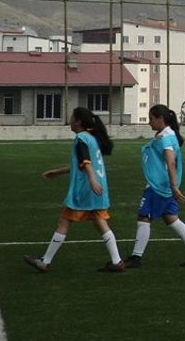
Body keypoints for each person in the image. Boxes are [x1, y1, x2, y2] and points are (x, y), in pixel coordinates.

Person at [23, 108, 125, 273]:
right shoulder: (92, 138)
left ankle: (45, 261)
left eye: (71, 117)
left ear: (78, 121)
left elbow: (86, 162)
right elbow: (80, 164)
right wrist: (57, 172)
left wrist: (91, 180)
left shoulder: (81, 138)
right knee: (100, 221)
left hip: (85, 189)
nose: (69, 120)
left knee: (64, 221)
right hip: (98, 188)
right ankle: (117, 261)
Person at [124, 104, 185, 268]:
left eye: (151, 118)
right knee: (171, 217)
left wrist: (173, 186)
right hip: (164, 185)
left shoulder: (166, 137)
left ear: (160, 119)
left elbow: (171, 161)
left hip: (158, 186)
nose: (149, 122)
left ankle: (136, 257)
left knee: (144, 217)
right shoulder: (168, 134)